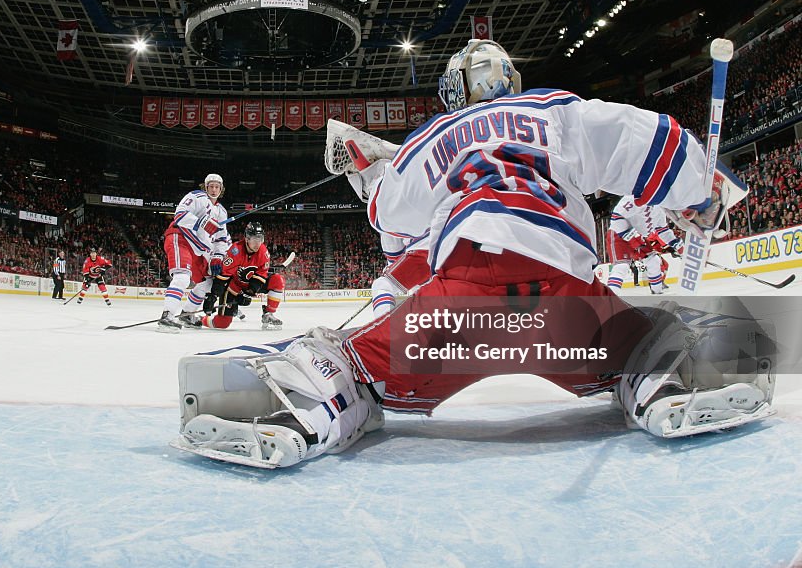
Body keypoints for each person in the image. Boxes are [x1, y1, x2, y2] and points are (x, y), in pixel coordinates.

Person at [171, 39, 771, 469]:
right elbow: (642, 140)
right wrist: (701, 191)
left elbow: (390, 212)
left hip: (460, 304)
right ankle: (674, 375)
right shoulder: (553, 110)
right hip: (566, 306)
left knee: (352, 365)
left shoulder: (438, 134)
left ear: (458, 91)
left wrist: (371, 167)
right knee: (648, 337)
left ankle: (308, 400)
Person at [182, 221, 286, 330]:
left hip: (248, 285)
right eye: (255, 239)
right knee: (222, 324)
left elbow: (260, 276)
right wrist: (213, 296)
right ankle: (200, 319)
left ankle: (268, 314)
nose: (257, 243)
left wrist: (250, 292)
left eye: (260, 239)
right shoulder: (235, 251)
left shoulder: (263, 252)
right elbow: (222, 277)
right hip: (232, 287)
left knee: (277, 280)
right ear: (247, 238)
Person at [159, 174, 231, 331]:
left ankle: (187, 315)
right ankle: (167, 316)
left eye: (217, 187)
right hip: (181, 238)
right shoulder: (196, 196)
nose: (213, 189)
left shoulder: (221, 212)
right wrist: (202, 222)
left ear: (221, 189)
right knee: (182, 277)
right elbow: (179, 214)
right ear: (205, 187)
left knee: (206, 284)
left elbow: (221, 239)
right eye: (210, 186)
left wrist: (218, 256)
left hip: (198, 249)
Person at [606, 195, 684, 295]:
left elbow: (662, 230)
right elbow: (617, 217)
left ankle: (657, 292)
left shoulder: (659, 209)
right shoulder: (634, 197)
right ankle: (609, 299)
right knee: (622, 266)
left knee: (654, 260)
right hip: (619, 234)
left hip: (639, 237)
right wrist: (631, 236)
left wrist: (676, 244)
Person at [370, 235, 430, 318]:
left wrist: (390, 270)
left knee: (382, 285)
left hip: (423, 254)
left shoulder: (385, 222)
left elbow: (394, 256)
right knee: (419, 292)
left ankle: (385, 328)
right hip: (445, 251)